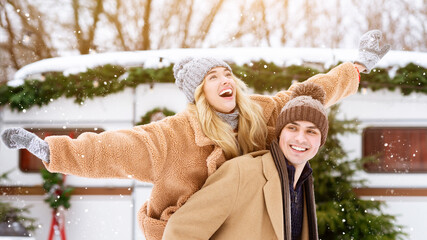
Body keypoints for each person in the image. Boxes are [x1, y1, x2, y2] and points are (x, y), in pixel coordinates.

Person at [1, 30, 389, 240]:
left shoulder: (261, 112)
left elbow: (307, 92)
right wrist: (50, 149)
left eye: (226, 74)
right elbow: (114, 149)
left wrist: (356, 67)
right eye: (211, 78)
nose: (224, 81)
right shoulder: (176, 135)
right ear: (199, 93)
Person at [163, 82, 328, 240]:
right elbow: (180, 231)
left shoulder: (303, 184)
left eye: (311, 131)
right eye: (292, 128)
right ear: (280, 133)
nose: (300, 138)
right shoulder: (241, 172)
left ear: (320, 141)